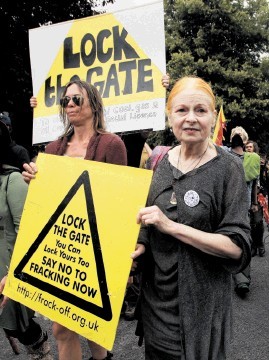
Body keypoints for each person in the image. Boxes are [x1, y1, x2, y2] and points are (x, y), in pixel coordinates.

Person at [131, 76, 251, 360]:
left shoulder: (229, 168)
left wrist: (172, 227)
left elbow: (236, 247)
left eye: (201, 110)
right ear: (169, 115)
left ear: (213, 116)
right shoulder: (158, 161)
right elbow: (148, 216)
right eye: (182, 110)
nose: (191, 119)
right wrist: (142, 244)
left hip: (201, 313)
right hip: (156, 308)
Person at [23, 80, 127, 360]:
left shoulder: (112, 144)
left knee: (92, 325)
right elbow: (48, 201)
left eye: (76, 99)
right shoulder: (54, 147)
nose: (69, 104)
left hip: (97, 248)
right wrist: (34, 181)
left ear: (93, 104)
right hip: (63, 247)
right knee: (62, 328)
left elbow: (121, 202)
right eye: (65, 100)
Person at [0, 120, 53, 360]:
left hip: (10, 266)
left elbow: (26, 231)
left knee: (16, 324)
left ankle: (39, 344)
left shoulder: (13, 182)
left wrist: (15, 272)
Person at [224, 128, 260, 295]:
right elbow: (253, 184)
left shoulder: (223, 155)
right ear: (245, 142)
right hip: (242, 205)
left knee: (229, 238)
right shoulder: (253, 159)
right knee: (242, 238)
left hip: (226, 205)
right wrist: (253, 203)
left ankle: (234, 275)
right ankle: (241, 278)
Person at [245, 140, 267, 256]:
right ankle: (253, 245)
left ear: (254, 149)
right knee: (250, 223)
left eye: (250, 147)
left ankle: (260, 244)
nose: (248, 149)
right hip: (247, 195)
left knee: (258, 221)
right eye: (246, 147)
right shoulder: (244, 161)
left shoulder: (260, 161)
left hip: (259, 196)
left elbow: (262, 179)